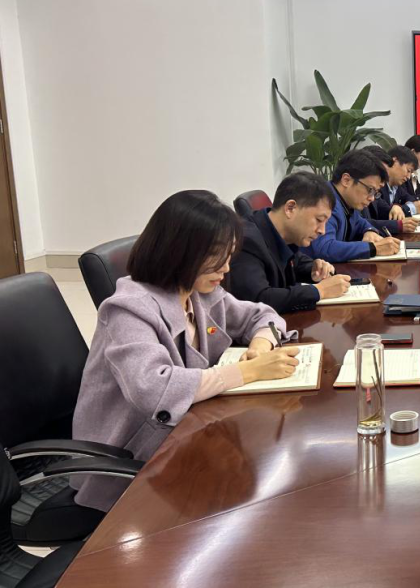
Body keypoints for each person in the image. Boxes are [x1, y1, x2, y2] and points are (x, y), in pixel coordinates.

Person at [71, 190, 301, 512]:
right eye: (216, 257)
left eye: (229, 256)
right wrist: (246, 372)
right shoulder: (127, 309)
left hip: (183, 438)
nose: (226, 269)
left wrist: (261, 345)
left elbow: (263, 315)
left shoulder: (199, 292)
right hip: (129, 461)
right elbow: (155, 389)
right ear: (180, 251)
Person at [227, 172, 353, 313]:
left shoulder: (282, 233)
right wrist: (319, 291)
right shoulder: (247, 240)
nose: (322, 230)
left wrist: (313, 269)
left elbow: (296, 262)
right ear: (290, 208)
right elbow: (259, 299)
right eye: (319, 220)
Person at [304, 149, 403, 263]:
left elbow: (360, 222)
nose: (372, 198)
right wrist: (373, 248)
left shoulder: (346, 201)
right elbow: (325, 248)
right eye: (370, 190)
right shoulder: (324, 201)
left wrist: (370, 230)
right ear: (346, 180)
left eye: (375, 192)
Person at [360, 145, 419, 234]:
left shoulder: (374, 192)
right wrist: (398, 225)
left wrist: (397, 207)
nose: (383, 183)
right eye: (380, 174)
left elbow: (384, 210)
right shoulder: (339, 203)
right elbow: (360, 224)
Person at [381, 145, 420, 216]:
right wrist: (411, 208)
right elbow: (386, 212)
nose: (408, 177)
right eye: (408, 171)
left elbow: (411, 198)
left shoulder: (397, 187)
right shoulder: (378, 184)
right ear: (395, 161)